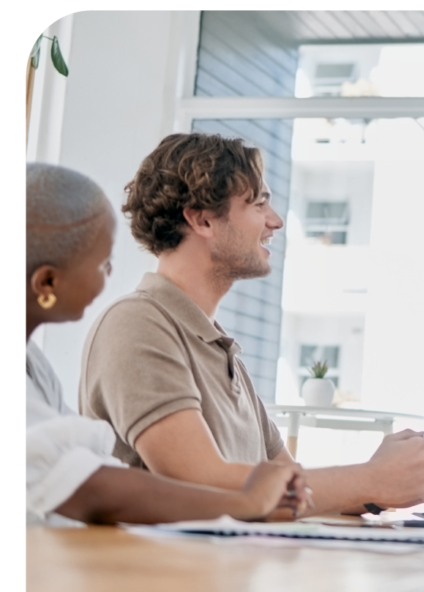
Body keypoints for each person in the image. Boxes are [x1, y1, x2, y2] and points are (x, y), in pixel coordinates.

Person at [79, 134, 424, 517]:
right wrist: (370, 479)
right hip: (162, 576)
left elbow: (289, 489)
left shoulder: (220, 350)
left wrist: (382, 488)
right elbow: (199, 482)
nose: (275, 221)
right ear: (203, 219)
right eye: (259, 204)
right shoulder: (138, 324)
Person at [25, 163, 305, 527]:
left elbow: (90, 466)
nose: (110, 274)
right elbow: (88, 486)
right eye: (103, 263)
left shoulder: (35, 365)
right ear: (47, 283)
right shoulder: (135, 323)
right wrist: (245, 501)